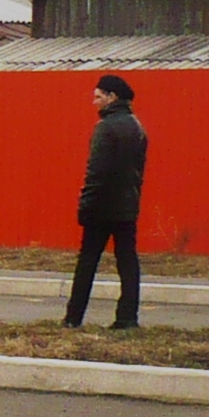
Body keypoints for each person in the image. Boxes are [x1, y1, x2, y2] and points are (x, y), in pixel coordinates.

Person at [64, 74, 148, 331]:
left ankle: (73, 318)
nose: (94, 102)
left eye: (98, 96)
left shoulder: (105, 128)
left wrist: (85, 205)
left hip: (101, 207)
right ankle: (127, 318)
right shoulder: (137, 127)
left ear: (112, 97)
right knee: (127, 261)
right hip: (127, 207)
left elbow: (95, 173)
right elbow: (138, 172)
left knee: (88, 260)